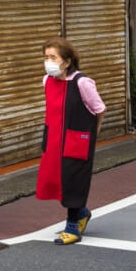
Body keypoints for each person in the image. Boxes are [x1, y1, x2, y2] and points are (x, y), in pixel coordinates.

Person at [36, 37, 105, 245]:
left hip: (77, 140)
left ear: (66, 62)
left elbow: (99, 110)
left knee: (73, 181)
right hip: (54, 138)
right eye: (46, 57)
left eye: (53, 57)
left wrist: (93, 133)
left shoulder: (82, 82)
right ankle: (82, 213)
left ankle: (73, 226)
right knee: (56, 181)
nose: (48, 61)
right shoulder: (47, 81)